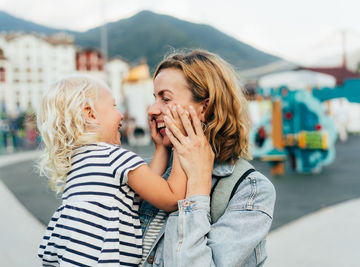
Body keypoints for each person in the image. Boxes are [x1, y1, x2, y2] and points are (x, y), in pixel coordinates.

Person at [139, 49, 276, 266]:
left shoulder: (251, 190)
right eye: (154, 98)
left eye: (165, 98)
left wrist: (197, 187)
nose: (152, 109)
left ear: (205, 107)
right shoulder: (151, 172)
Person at [37, 75, 188, 266]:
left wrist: (161, 148)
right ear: (91, 114)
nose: (121, 115)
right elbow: (170, 197)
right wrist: (181, 142)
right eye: (114, 106)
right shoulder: (114, 158)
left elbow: (146, 189)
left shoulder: (78, 164)